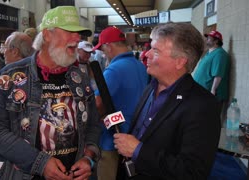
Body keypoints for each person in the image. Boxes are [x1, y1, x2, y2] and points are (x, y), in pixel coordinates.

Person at [0, 6, 101, 180]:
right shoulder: (10, 77)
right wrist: (40, 162)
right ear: (46, 34)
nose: (77, 38)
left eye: (79, 34)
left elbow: (92, 126)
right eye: (69, 31)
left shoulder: (80, 78)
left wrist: (88, 158)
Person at [113, 22, 221, 179]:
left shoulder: (203, 106)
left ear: (180, 61)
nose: (146, 54)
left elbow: (193, 172)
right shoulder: (150, 87)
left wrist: (138, 151)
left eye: (155, 51)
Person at [92, 26, 148, 180]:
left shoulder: (114, 70)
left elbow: (97, 104)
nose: (103, 53)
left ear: (108, 46)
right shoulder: (140, 66)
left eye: (103, 49)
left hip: (113, 139)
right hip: (136, 135)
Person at [0, 31, 34, 172]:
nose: (3, 52)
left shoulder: (1, 78)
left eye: (6, 48)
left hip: (7, 154)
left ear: (15, 51)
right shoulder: (38, 77)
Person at [193, 30, 230, 123]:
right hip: (203, 92)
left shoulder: (220, 54)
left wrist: (213, 90)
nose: (207, 40)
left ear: (216, 41)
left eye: (209, 38)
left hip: (211, 94)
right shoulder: (210, 52)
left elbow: (218, 74)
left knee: (210, 120)